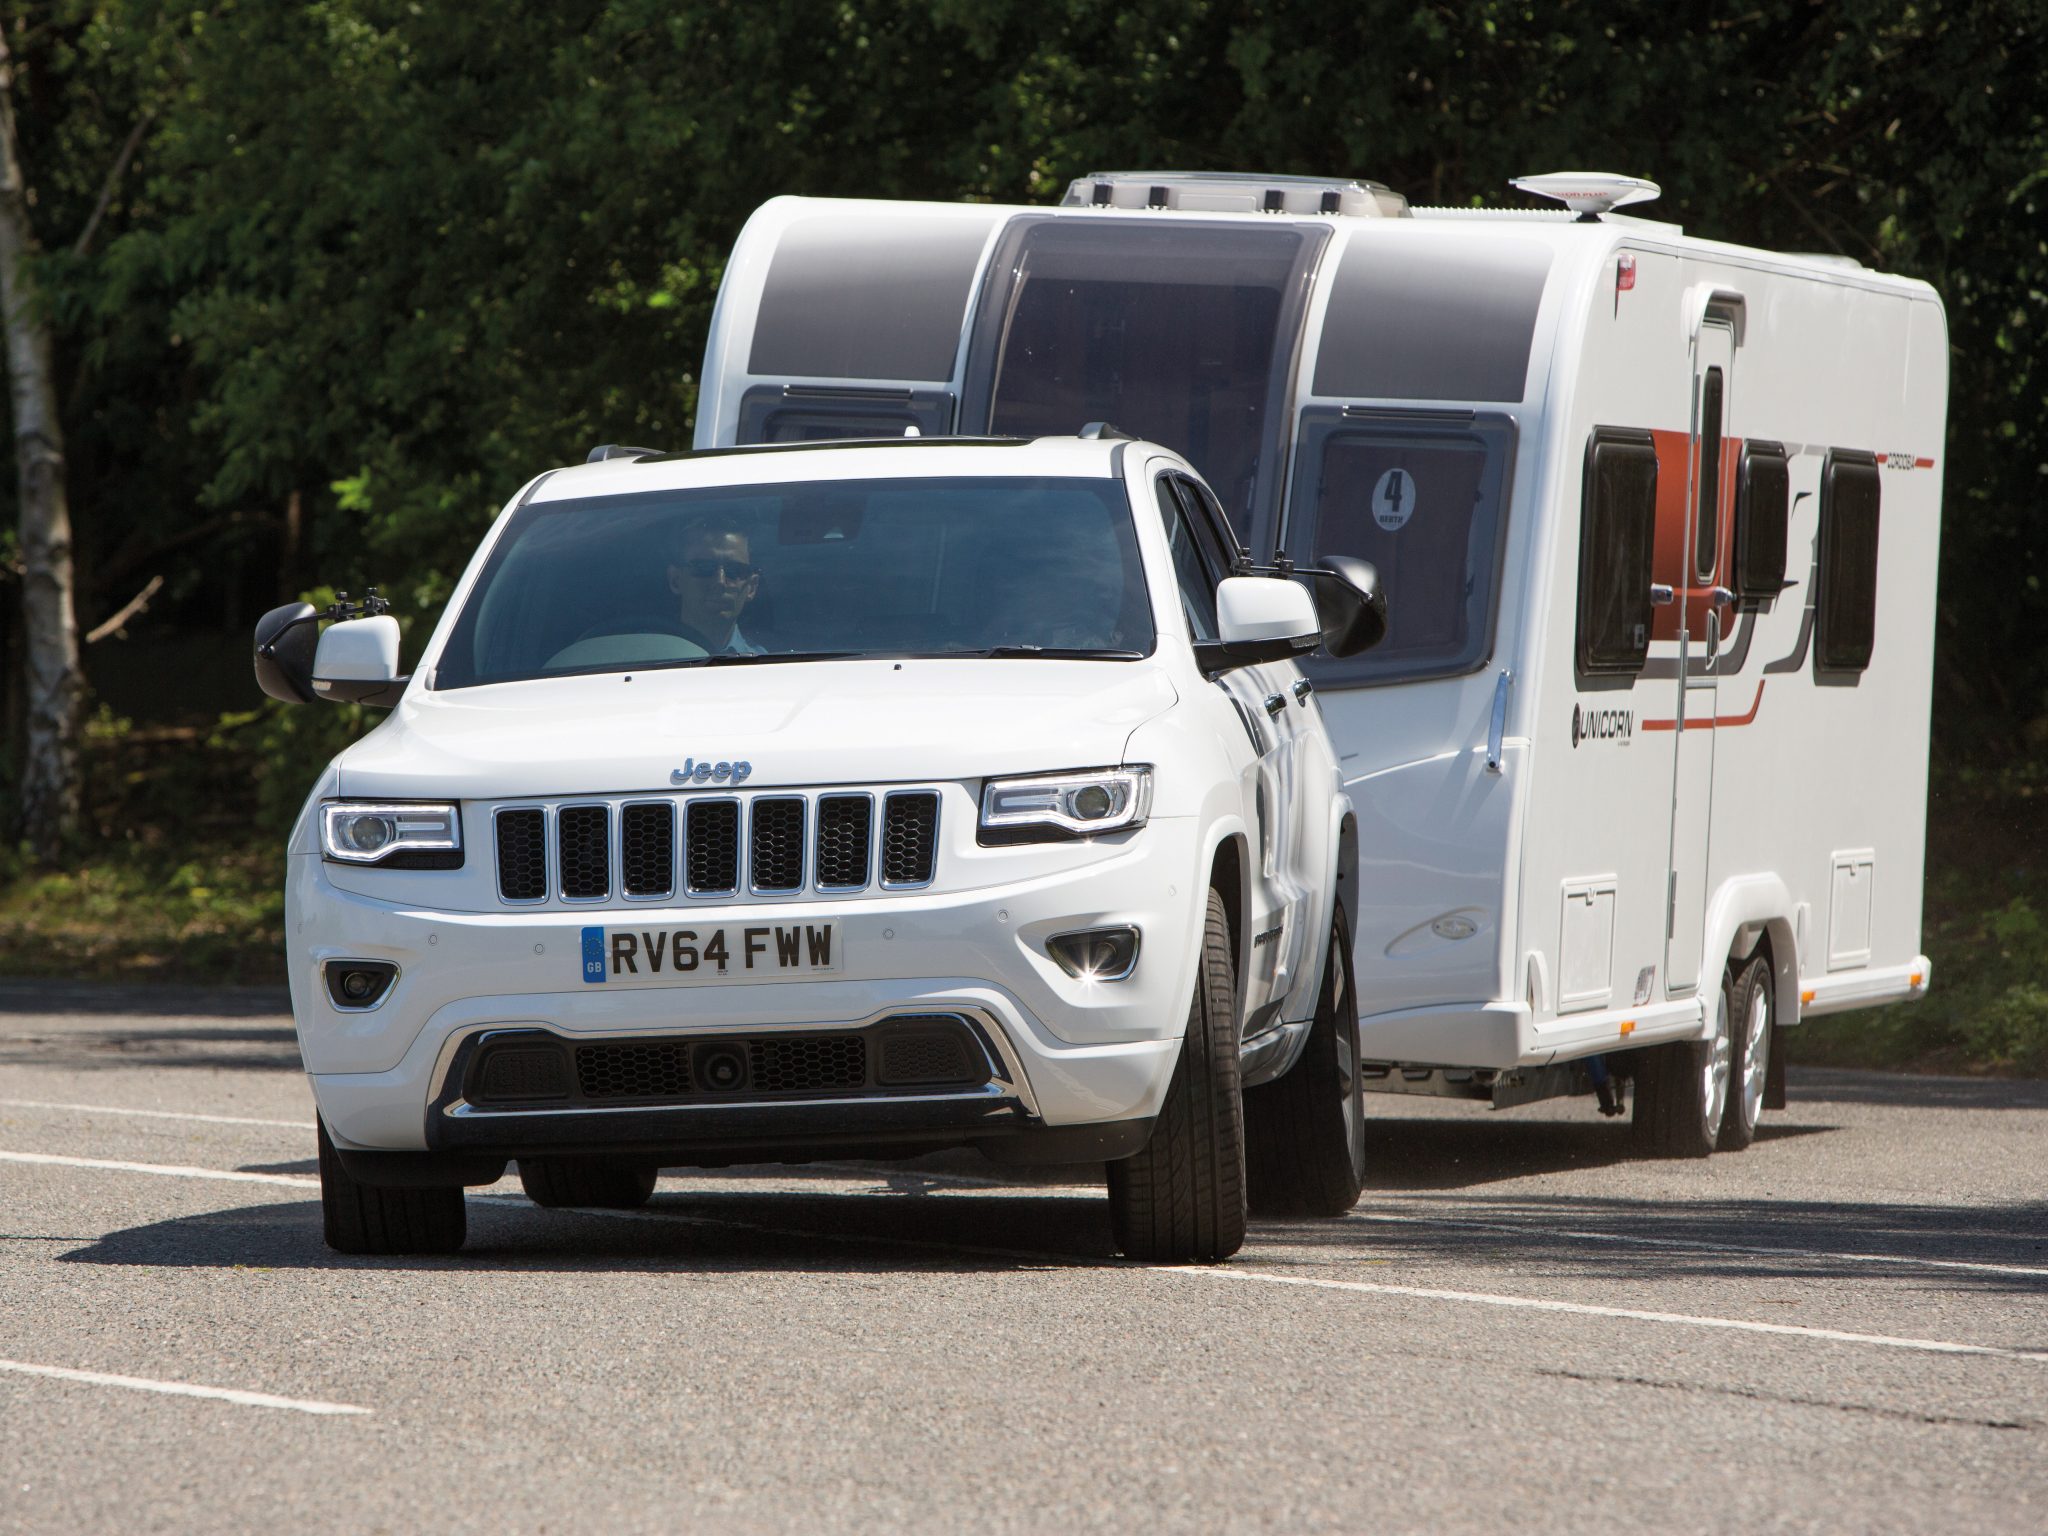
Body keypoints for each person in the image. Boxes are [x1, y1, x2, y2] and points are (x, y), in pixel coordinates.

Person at [666, 518, 763, 655]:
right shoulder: (641, 661)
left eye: (735, 570)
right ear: (675, 580)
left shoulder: (775, 669)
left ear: (751, 587)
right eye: (704, 567)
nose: (720, 581)